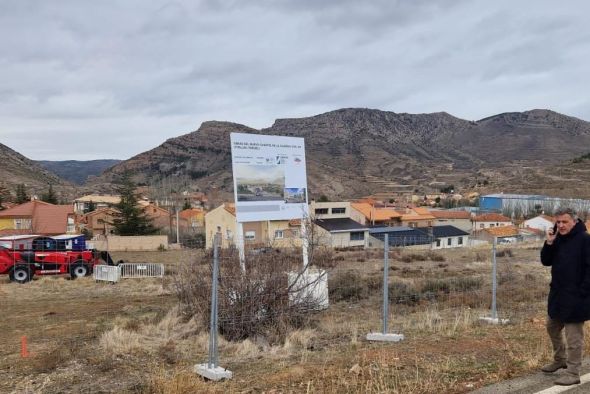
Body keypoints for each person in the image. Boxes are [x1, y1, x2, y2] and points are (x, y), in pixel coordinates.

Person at [540, 207, 590, 386]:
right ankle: (560, 359)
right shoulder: (557, 238)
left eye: (564, 222)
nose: (560, 225)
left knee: (574, 338)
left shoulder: (585, 240)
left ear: (574, 222)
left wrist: (582, 293)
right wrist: (550, 243)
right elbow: (546, 261)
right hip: (558, 295)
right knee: (552, 326)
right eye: (558, 222)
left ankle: (573, 372)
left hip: (577, 298)